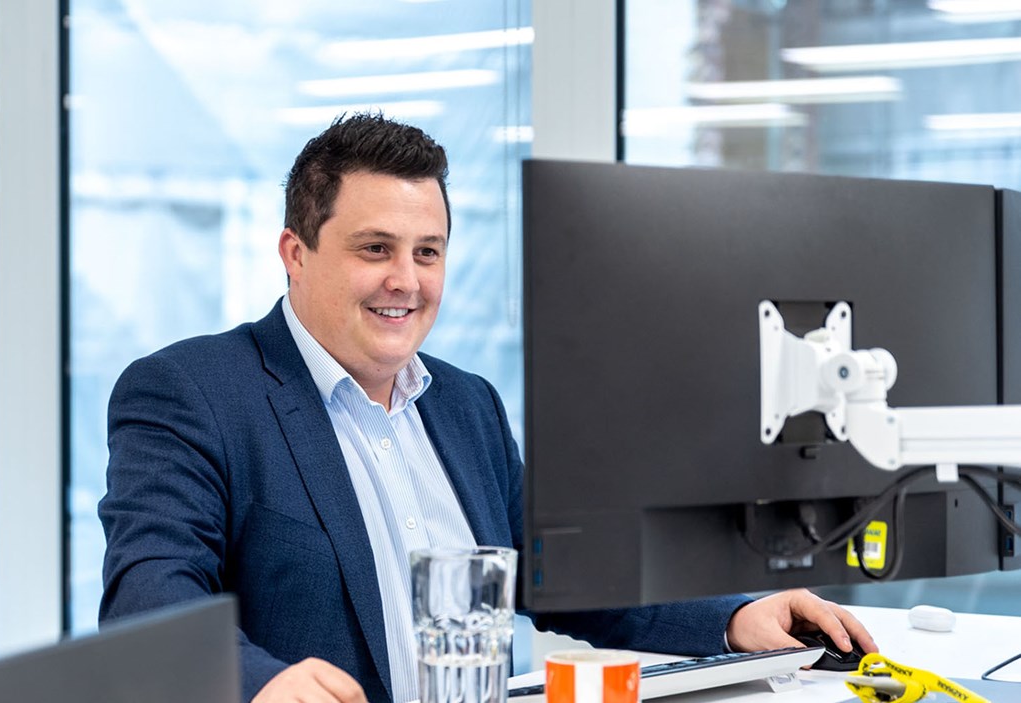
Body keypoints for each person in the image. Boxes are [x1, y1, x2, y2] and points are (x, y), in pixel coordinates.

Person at [98, 113, 877, 703]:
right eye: (376, 248)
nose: (407, 279)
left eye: (427, 251)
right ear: (296, 254)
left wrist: (738, 616)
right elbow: (148, 598)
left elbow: (567, 575)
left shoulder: (466, 404)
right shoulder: (190, 393)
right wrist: (262, 683)